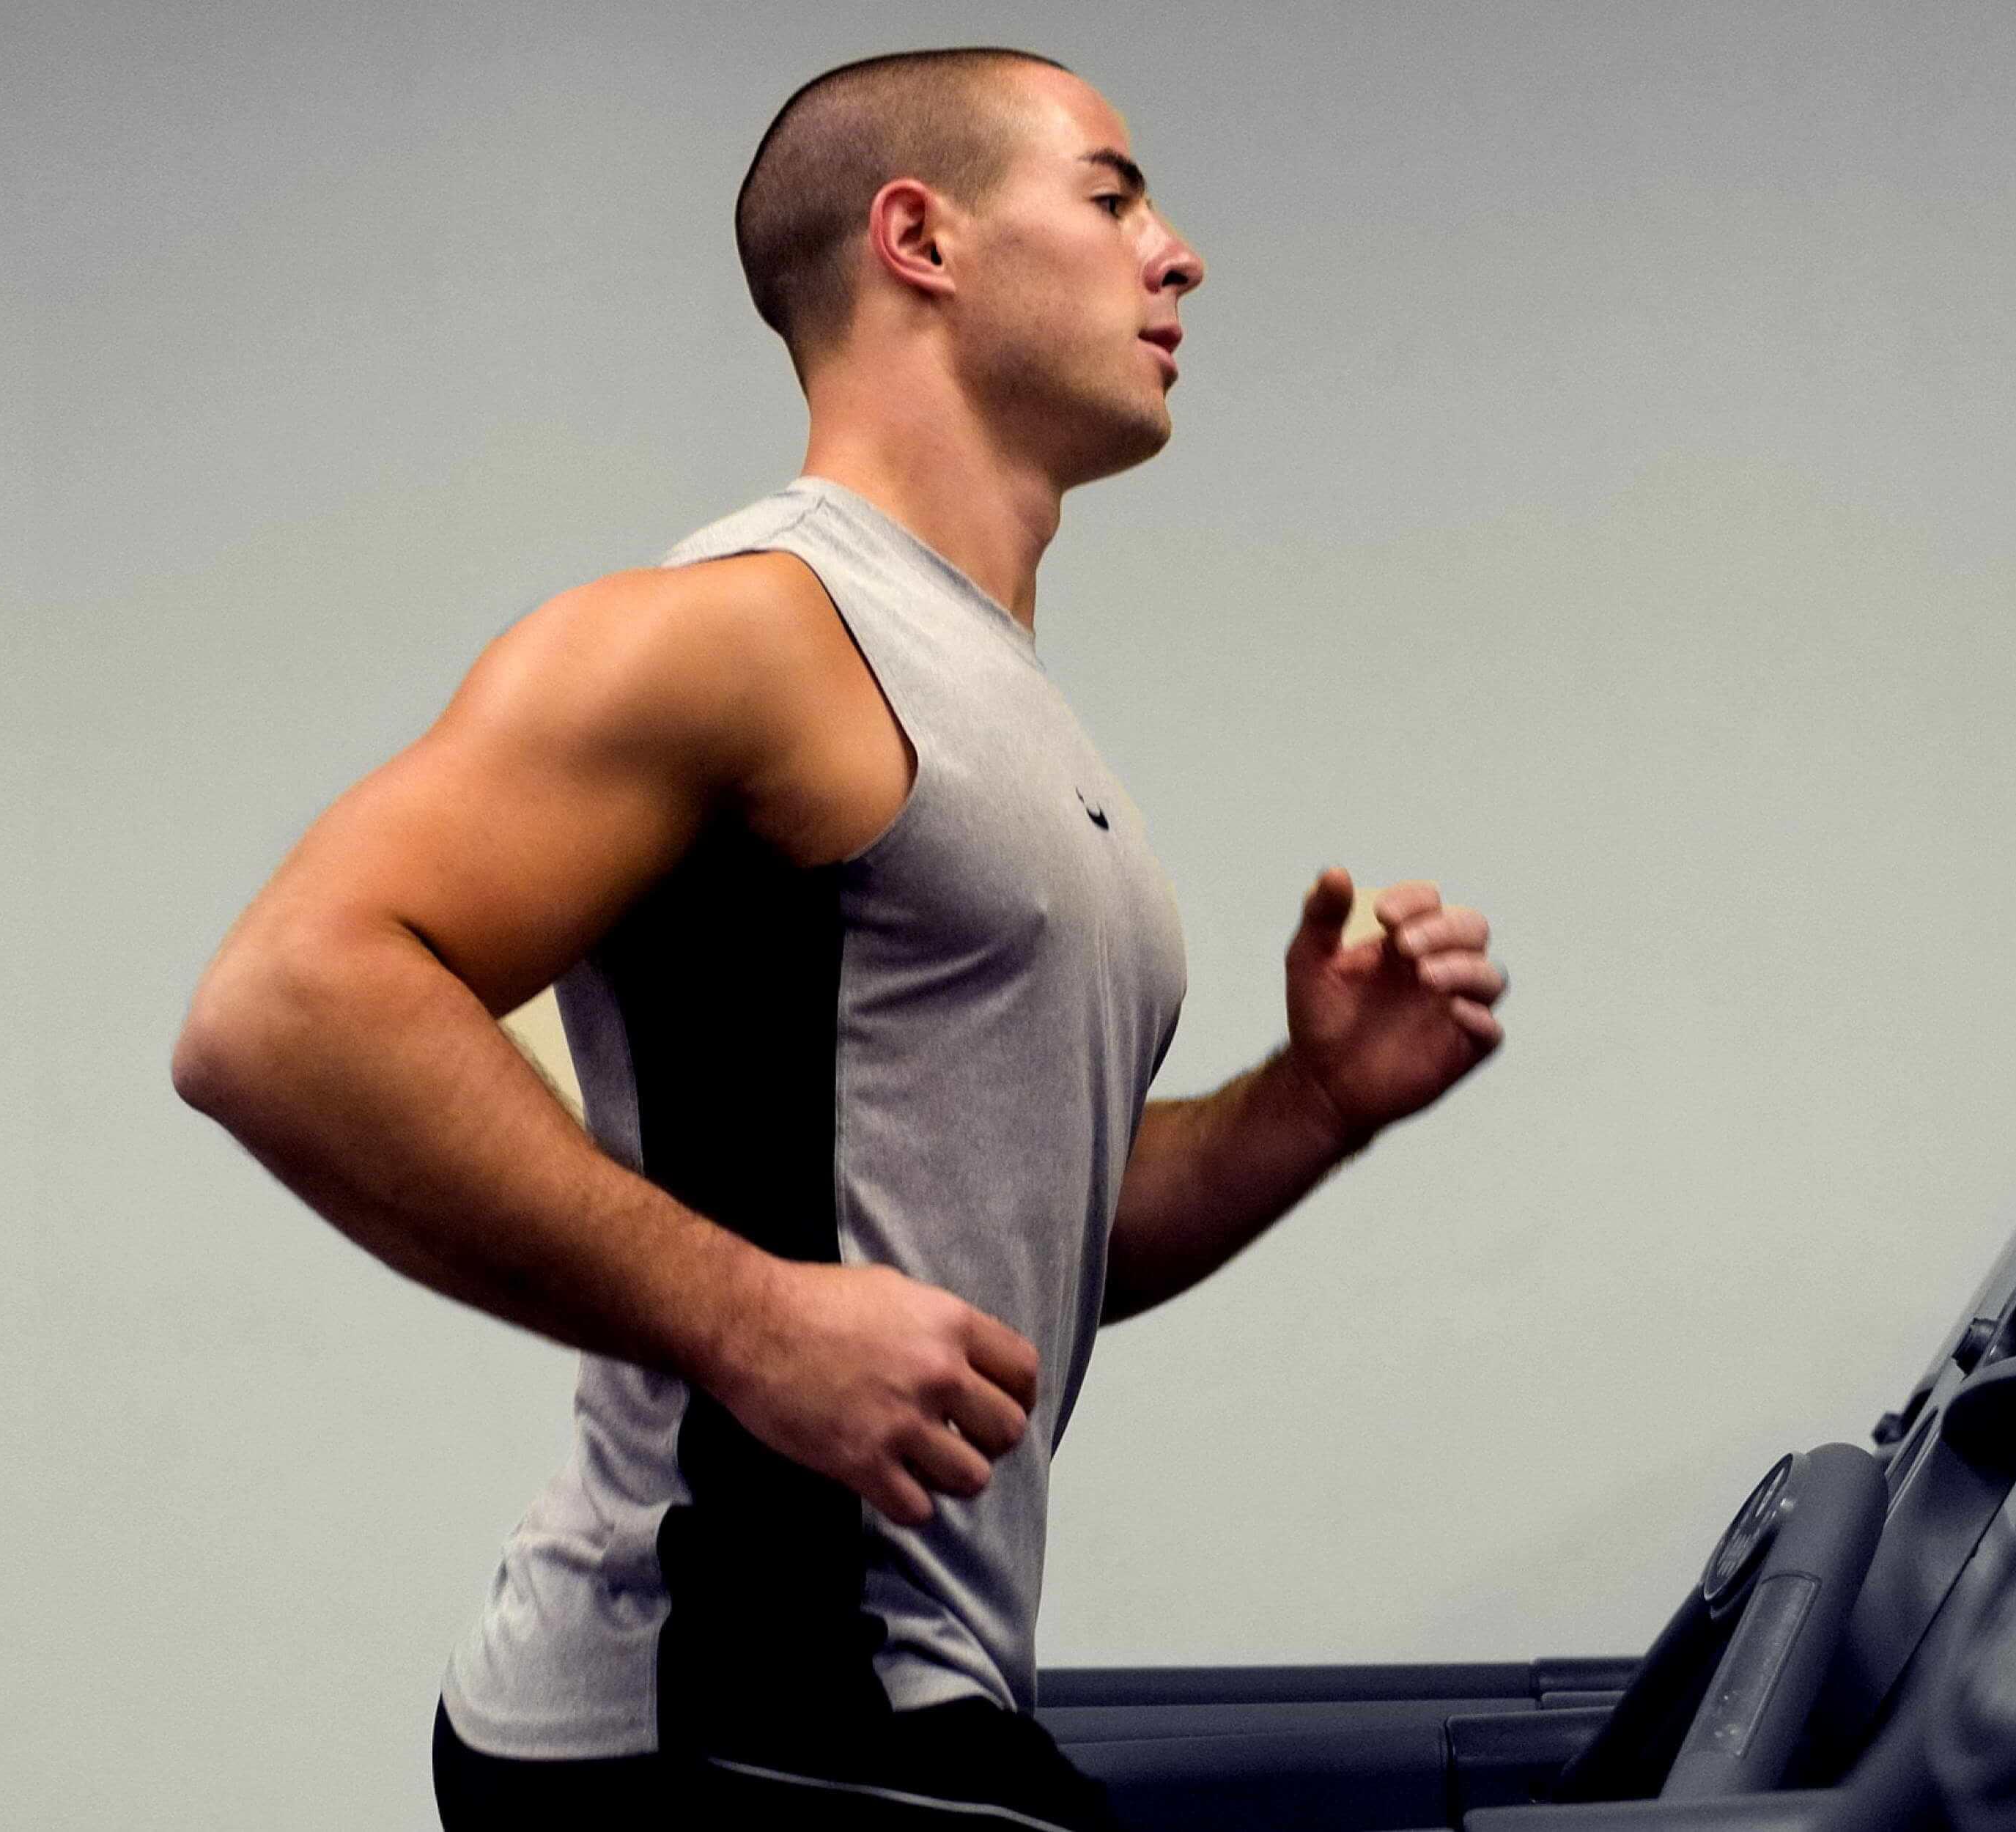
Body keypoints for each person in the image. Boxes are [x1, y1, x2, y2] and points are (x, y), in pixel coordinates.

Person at [172, 44, 1508, 1831]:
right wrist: (748, 1319)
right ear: (919, 238)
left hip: (881, 1692)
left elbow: (998, 1246)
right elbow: (281, 1008)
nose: (1176, 254)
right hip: (716, 1700)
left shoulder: (997, 702)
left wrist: (1311, 1104)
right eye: (1113, 196)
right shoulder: (749, 633)